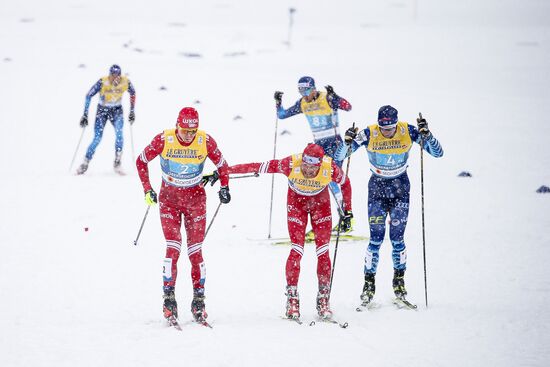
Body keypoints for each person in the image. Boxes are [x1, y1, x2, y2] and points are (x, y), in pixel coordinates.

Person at [227, 143, 353, 320]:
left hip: (321, 206)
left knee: (323, 252)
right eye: (305, 165)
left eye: (312, 166)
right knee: (297, 250)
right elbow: (259, 166)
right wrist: (226, 171)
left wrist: (348, 211)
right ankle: (292, 298)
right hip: (297, 206)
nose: (308, 169)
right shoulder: (290, 164)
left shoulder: (329, 168)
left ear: (319, 164)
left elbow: (345, 183)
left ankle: (323, 298)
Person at [335, 105, 443, 307]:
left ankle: (399, 282)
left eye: (390, 128)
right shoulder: (368, 133)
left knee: (397, 238)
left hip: (400, 188)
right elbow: (340, 156)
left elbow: (438, 153)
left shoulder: (408, 131)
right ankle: (368, 285)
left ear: (396, 123)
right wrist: (346, 141)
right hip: (377, 189)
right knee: (375, 239)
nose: (386, 131)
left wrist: (427, 136)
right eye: (383, 128)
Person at [135, 107, 230, 324]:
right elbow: (141, 160)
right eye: (185, 130)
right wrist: (147, 189)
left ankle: (199, 301)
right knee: (173, 248)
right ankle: (169, 299)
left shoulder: (204, 140)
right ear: (177, 125)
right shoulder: (164, 139)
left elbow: (223, 165)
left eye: (193, 130)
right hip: (169, 201)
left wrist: (225, 187)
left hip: (196, 201)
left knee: (195, 252)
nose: (189, 135)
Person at [274, 76, 353, 232]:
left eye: (306, 90)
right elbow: (282, 115)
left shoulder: (327, 98)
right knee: (323, 182)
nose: (304, 94)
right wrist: (278, 103)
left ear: (314, 88)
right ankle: (334, 220)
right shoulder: (303, 103)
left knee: (331, 179)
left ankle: (345, 218)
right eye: (300, 90)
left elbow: (348, 106)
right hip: (318, 147)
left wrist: (335, 97)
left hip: (334, 144)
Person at [77, 64, 136, 175]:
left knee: (119, 134)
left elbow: (133, 93)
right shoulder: (102, 81)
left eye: (117, 75)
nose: (114, 78)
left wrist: (132, 111)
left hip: (117, 111)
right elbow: (89, 95)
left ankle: (117, 162)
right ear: (109, 75)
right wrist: (85, 114)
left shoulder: (125, 82)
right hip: (102, 111)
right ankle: (85, 163)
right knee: (97, 138)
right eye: (112, 75)